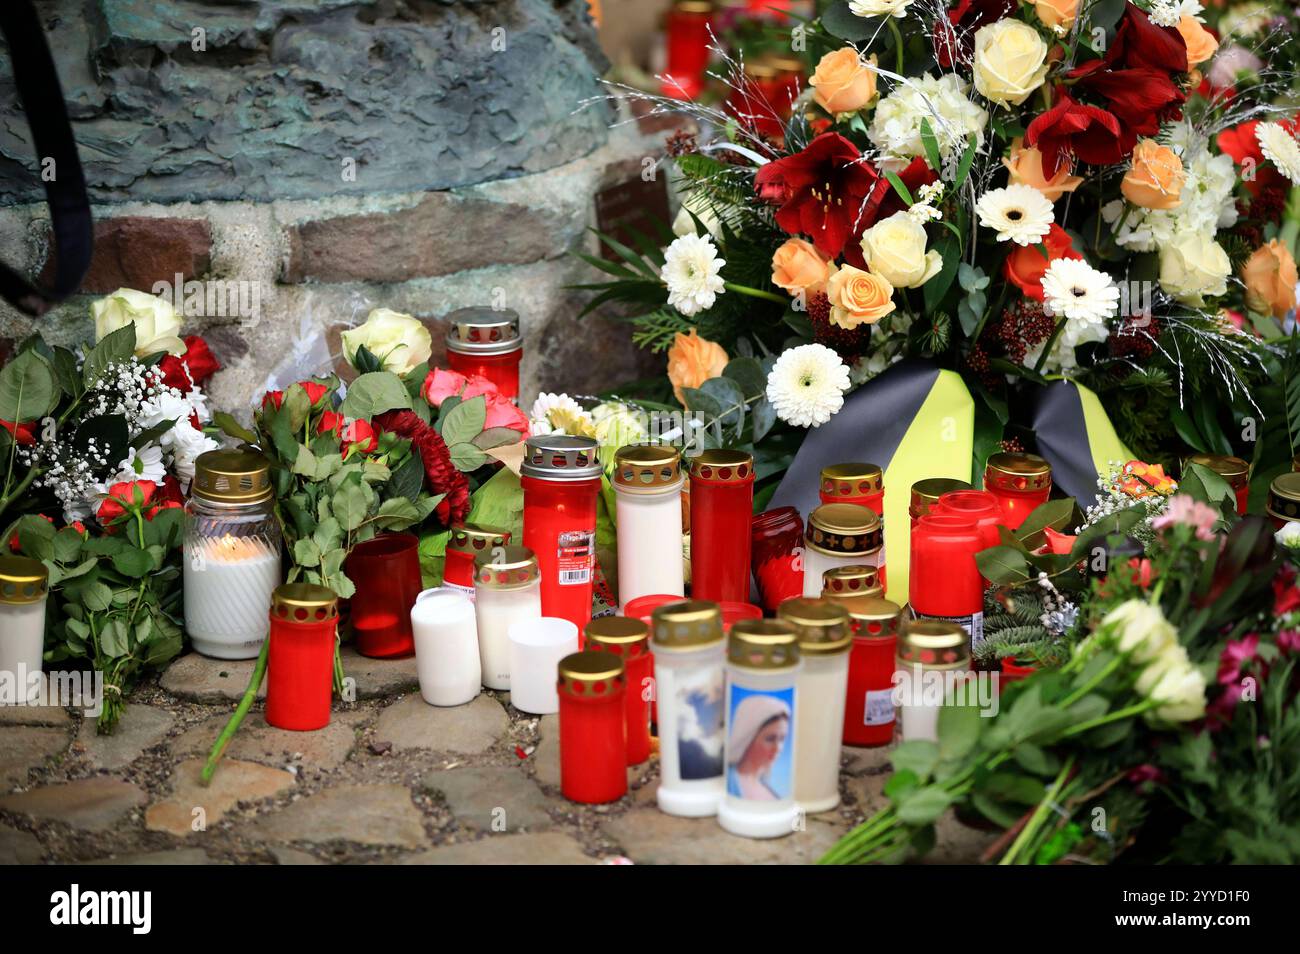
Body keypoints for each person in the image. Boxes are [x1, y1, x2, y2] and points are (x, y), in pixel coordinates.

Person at [726, 693, 791, 800]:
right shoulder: (729, 782)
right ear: (748, 738)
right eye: (770, 739)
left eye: (782, 739)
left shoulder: (770, 791)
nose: (778, 748)